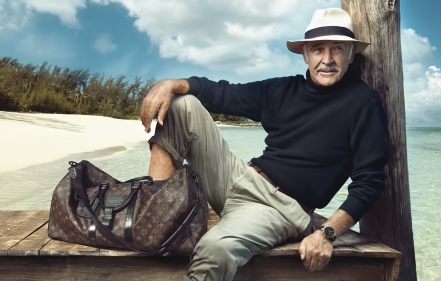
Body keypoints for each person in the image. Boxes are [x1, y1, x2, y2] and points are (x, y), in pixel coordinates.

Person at [140, 8, 389, 281]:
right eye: (318, 49)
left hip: (279, 209)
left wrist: (327, 233)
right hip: (239, 178)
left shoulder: (363, 103)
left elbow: (369, 182)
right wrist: (172, 83)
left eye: (337, 49)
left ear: (351, 54)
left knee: (216, 249)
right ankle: (153, 213)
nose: (326, 60)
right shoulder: (282, 90)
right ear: (305, 54)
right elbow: (225, 94)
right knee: (181, 104)